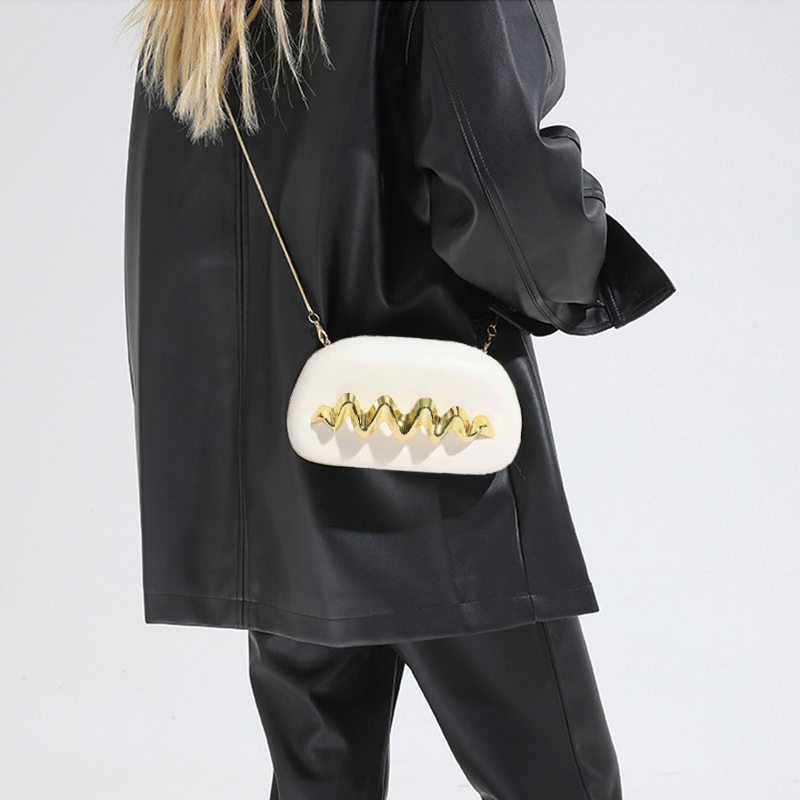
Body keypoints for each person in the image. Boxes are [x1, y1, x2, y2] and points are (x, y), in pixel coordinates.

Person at [122, 1, 675, 798]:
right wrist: (592, 271)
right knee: (561, 782)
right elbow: (499, 179)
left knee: (320, 780)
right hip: (434, 442)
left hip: (284, 444)